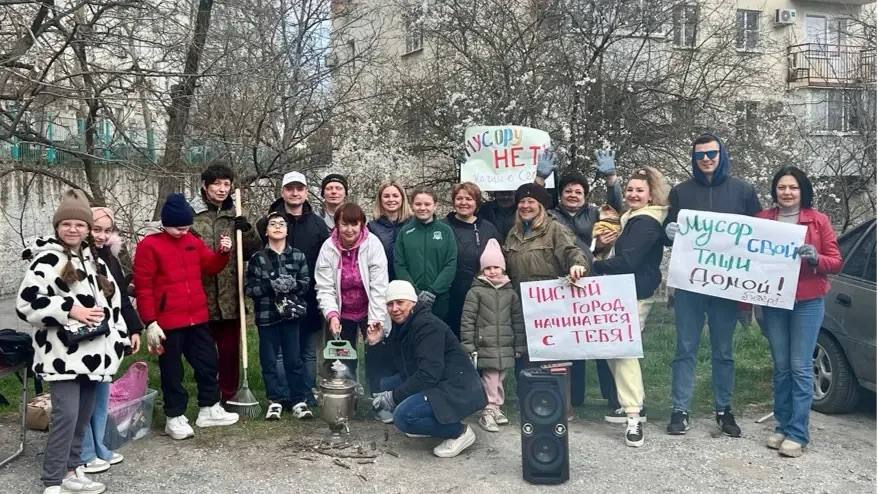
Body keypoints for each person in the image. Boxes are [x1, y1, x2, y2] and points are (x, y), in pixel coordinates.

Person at [17, 189, 130, 494]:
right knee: (66, 416)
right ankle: (53, 480)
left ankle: (71, 470)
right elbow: (26, 303)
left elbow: (113, 304)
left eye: (79, 224)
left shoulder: (94, 261)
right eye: (66, 224)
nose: (73, 229)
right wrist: (69, 310)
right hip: (63, 356)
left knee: (82, 417)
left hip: (95, 354)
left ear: (87, 228)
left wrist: (118, 338)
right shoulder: (47, 261)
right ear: (57, 226)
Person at [663, 133, 761, 437]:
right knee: (685, 347)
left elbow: (760, 233)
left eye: (711, 154)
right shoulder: (681, 192)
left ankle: (724, 409)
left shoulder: (743, 190)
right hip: (690, 284)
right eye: (699, 155)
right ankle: (680, 409)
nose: (705, 159)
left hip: (726, 285)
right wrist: (669, 231)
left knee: (723, 350)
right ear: (693, 159)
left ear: (722, 155)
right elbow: (669, 231)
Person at [134, 193, 239, 440]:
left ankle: (209, 407)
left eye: (186, 227)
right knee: (172, 371)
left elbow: (211, 266)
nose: (183, 232)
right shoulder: (149, 246)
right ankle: (174, 416)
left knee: (208, 362)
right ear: (166, 224)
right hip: (167, 322)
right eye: (178, 228)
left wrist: (223, 253)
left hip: (197, 317)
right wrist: (150, 321)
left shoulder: (192, 241)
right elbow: (143, 286)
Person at [755, 166, 842, 458]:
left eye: (793, 187)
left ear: (803, 190)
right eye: (782, 187)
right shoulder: (763, 219)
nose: (787, 192)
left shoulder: (819, 221)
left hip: (807, 301)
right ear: (774, 191)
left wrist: (816, 258)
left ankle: (798, 433)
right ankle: (782, 425)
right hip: (774, 301)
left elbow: (836, 261)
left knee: (800, 367)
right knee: (781, 367)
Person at [590, 167, 670, 447]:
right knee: (614, 349)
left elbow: (627, 261)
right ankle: (632, 405)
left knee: (624, 351)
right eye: (630, 189)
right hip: (624, 291)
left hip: (635, 292)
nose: (633, 194)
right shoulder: (632, 218)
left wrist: (594, 265)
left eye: (640, 190)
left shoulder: (645, 222)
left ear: (651, 195)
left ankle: (634, 414)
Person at [545, 151, 624, 418]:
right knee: (571, 340)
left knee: (601, 340)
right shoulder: (551, 215)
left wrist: (612, 179)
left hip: (594, 283)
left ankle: (613, 397)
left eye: (578, 191)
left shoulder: (595, 212)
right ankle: (574, 396)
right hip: (563, 284)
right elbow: (531, 203)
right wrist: (539, 178)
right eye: (568, 191)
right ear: (560, 194)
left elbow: (617, 208)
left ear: (585, 195)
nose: (573, 195)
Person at [369, 280, 487, 458]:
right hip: (436, 378)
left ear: (412, 303)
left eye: (400, 302)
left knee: (403, 417)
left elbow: (429, 374)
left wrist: (394, 397)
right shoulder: (404, 325)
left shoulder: (427, 326)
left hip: (456, 386)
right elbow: (395, 364)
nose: (394, 309)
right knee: (386, 384)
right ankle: (427, 423)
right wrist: (377, 342)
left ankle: (459, 431)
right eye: (390, 304)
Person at [503, 182, 589, 418]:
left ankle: (560, 407)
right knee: (526, 357)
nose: (525, 206)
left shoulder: (555, 229)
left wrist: (577, 266)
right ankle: (531, 405)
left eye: (531, 201)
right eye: (522, 202)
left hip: (549, 306)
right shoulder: (513, 234)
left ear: (541, 206)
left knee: (554, 358)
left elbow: (573, 251)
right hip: (521, 303)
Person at [80, 207, 144, 474]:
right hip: (82, 338)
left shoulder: (109, 257)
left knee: (102, 393)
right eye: (96, 229)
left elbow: (120, 298)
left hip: (107, 337)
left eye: (107, 231)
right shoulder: (75, 257)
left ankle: (99, 444)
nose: (102, 236)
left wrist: (134, 328)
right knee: (83, 395)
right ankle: (83, 450)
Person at [190, 163, 261, 403]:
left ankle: (229, 395)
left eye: (226, 184)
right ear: (205, 186)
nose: (222, 189)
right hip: (202, 295)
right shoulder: (192, 215)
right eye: (217, 184)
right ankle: (209, 395)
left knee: (230, 352)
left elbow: (253, 251)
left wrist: (247, 230)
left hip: (231, 296)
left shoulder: (236, 213)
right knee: (204, 353)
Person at [255, 171, 330, 396]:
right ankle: (283, 394)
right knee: (279, 351)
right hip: (275, 302)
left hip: (307, 296)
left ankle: (305, 392)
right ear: (282, 192)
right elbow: (255, 253)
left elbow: (326, 261)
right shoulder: (269, 222)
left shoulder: (318, 225)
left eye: (299, 189)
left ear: (306, 192)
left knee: (308, 350)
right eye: (290, 189)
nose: (295, 193)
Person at [314, 203, 390, 399]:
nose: (349, 230)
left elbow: (379, 286)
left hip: (369, 308)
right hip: (342, 311)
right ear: (337, 225)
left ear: (362, 224)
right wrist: (332, 315)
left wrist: (375, 320)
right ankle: (347, 398)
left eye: (354, 224)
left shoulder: (373, 244)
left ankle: (378, 397)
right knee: (342, 357)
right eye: (344, 224)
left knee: (376, 353)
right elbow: (324, 286)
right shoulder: (328, 248)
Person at [245, 211, 314, 420]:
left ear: (287, 230)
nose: (277, 227)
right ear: (266, 231)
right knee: (269, 361)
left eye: (281, 224)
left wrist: (292, 284)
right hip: (266, 317)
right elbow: (250, 289)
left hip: (291, 316)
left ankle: (298, 400)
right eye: (272, 224)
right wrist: (270, 285)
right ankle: (275, 400)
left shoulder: (298, 256)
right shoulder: (257, 259)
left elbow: (306, 284)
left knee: (294, 360)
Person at [460, 239, 526, 432]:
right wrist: (468, 344)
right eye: (488, 268)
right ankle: (488, 409)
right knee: (490, 377)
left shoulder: (510, 293)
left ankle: (496, 408)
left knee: (500, 377)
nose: (492, 271)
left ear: (503, 269)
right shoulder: (476, 292)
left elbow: (517, 321)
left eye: (496, 267)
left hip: (505, 344)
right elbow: (467, 319)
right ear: (482, 270)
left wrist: (519, 345)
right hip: (485, 344)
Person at [442, 182, 501, 340]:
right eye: (459, 198)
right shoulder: (442, 227)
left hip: (483, 296)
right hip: (452, 296)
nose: (463, 203)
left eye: (468, 199)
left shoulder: (488, 228)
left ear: (477, 202)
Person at [394, 189, 458, 320]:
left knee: (437, 332)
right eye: (418, 204)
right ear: (412, 205)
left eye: (427, 204)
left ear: (435, 205)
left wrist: (433, 291)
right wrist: (415, 292)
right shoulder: (405, 232)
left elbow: (451, 263)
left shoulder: (445, 231)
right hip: (411, 298)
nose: (422, 208)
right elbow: (399, 264)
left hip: (439, 298)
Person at [368, 181, 411, 281]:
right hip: (382, 281)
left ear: (402, 198)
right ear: (380, 200)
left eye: (395, 196)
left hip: (410, 282)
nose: (391, 199)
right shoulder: (372, 227)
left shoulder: (413, 224)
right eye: (386, 196)